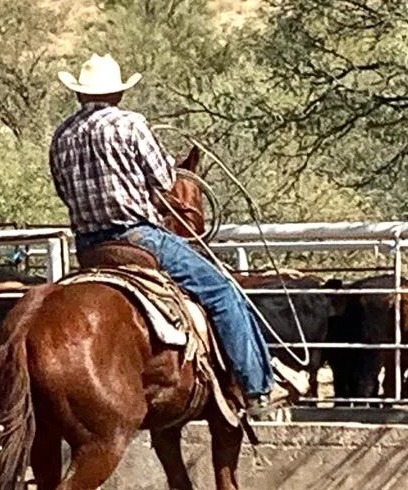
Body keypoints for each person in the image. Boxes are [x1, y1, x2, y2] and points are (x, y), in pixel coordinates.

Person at [49, 53, 303, 413]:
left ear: (79, 94)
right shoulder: (131, 124)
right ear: (118, 94)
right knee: (223, 290)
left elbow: (63, 191)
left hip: (90, 247)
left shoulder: (62, 135)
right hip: (137, 237)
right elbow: (166, 180)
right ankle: (257, 388)